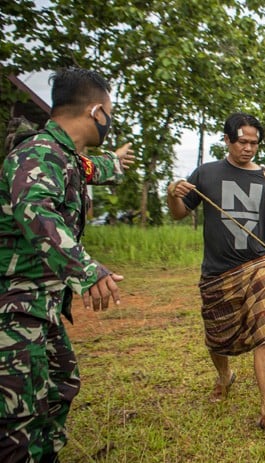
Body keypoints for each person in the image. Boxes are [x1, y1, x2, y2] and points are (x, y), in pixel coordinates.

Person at [0, 67, 135, 462]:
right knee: (18, 417)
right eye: (109, 112)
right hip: (13, 308)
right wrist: (88, 271)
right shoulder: (37, 154)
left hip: (40, 308)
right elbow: (37, 213)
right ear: (97, 112)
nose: (110, 121)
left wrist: (115, 161)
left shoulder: (64, 158)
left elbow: (89, 169)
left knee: (60, 383)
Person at [167, 112, 265, 432]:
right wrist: (171, 195)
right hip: (218, 274)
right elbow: (180, 213)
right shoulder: (206, 174)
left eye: (254, 143)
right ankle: (225, 376)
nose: (249, 148)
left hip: (260, 268)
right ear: (228, 140)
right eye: (242, 142)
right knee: (216, 337)